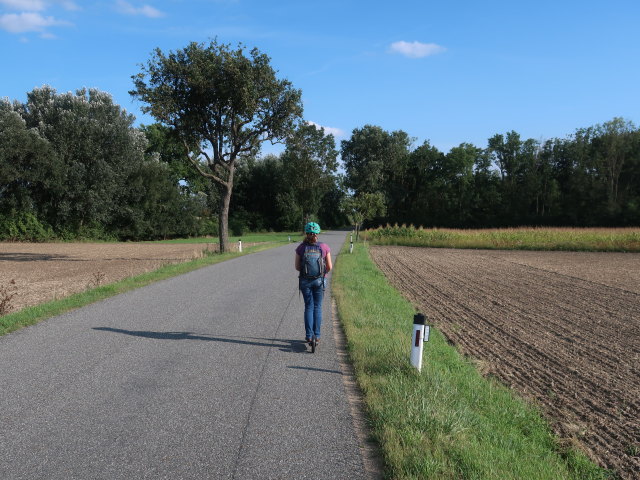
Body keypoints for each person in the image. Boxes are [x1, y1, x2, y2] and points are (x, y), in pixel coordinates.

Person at [295, 222, 332, 345]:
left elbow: (296, 267)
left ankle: (309, 336)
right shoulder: (324, 247)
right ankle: (317, 335)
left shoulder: (301, 248)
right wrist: (321, 274)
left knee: (309, 307)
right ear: (318, 233)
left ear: (306, 233)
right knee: (318, 307)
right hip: (320, 281)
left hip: (305, 281)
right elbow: (330, 266)